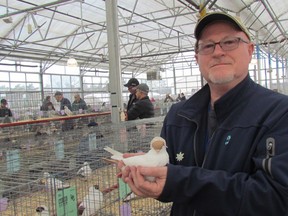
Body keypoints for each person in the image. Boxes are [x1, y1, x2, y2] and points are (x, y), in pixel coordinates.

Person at [119, 12, 288, 215]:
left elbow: (278, 198)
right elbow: (170, 177)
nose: (218, 52)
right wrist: (150, 174)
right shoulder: (178, 115)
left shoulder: (278, 113)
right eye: (208, 46)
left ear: (250, 50)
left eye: (230, 42)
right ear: (197, 57)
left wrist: (179, 182)